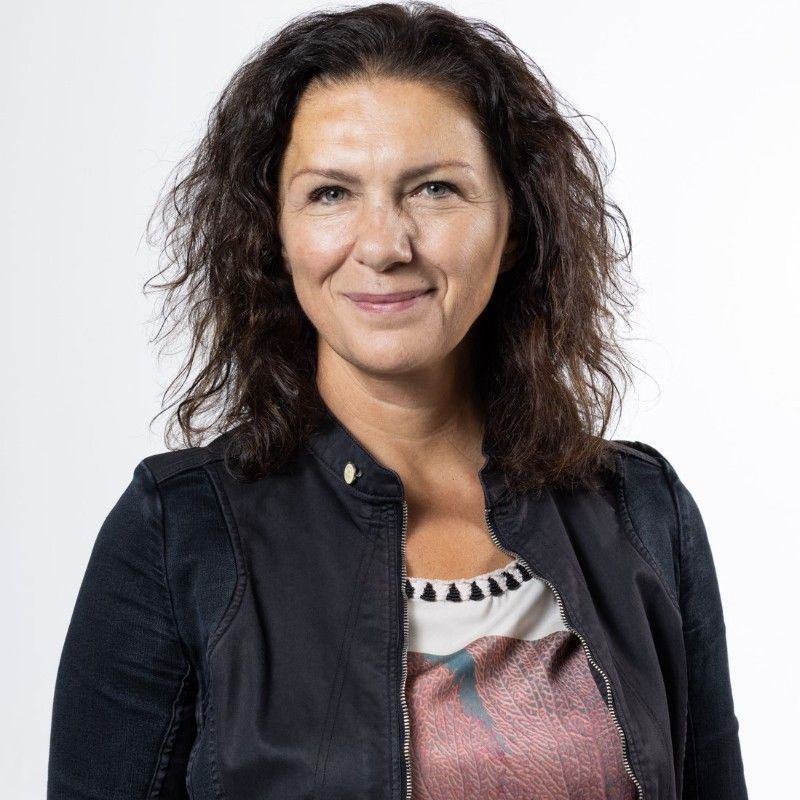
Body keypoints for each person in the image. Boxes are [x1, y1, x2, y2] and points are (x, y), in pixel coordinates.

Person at [47, 2, 748, 799]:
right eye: (331, 194)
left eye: (435, 189)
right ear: (272, 231)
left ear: (514, 222)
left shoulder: (641, 511)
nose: (383, 246)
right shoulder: (179, 531)